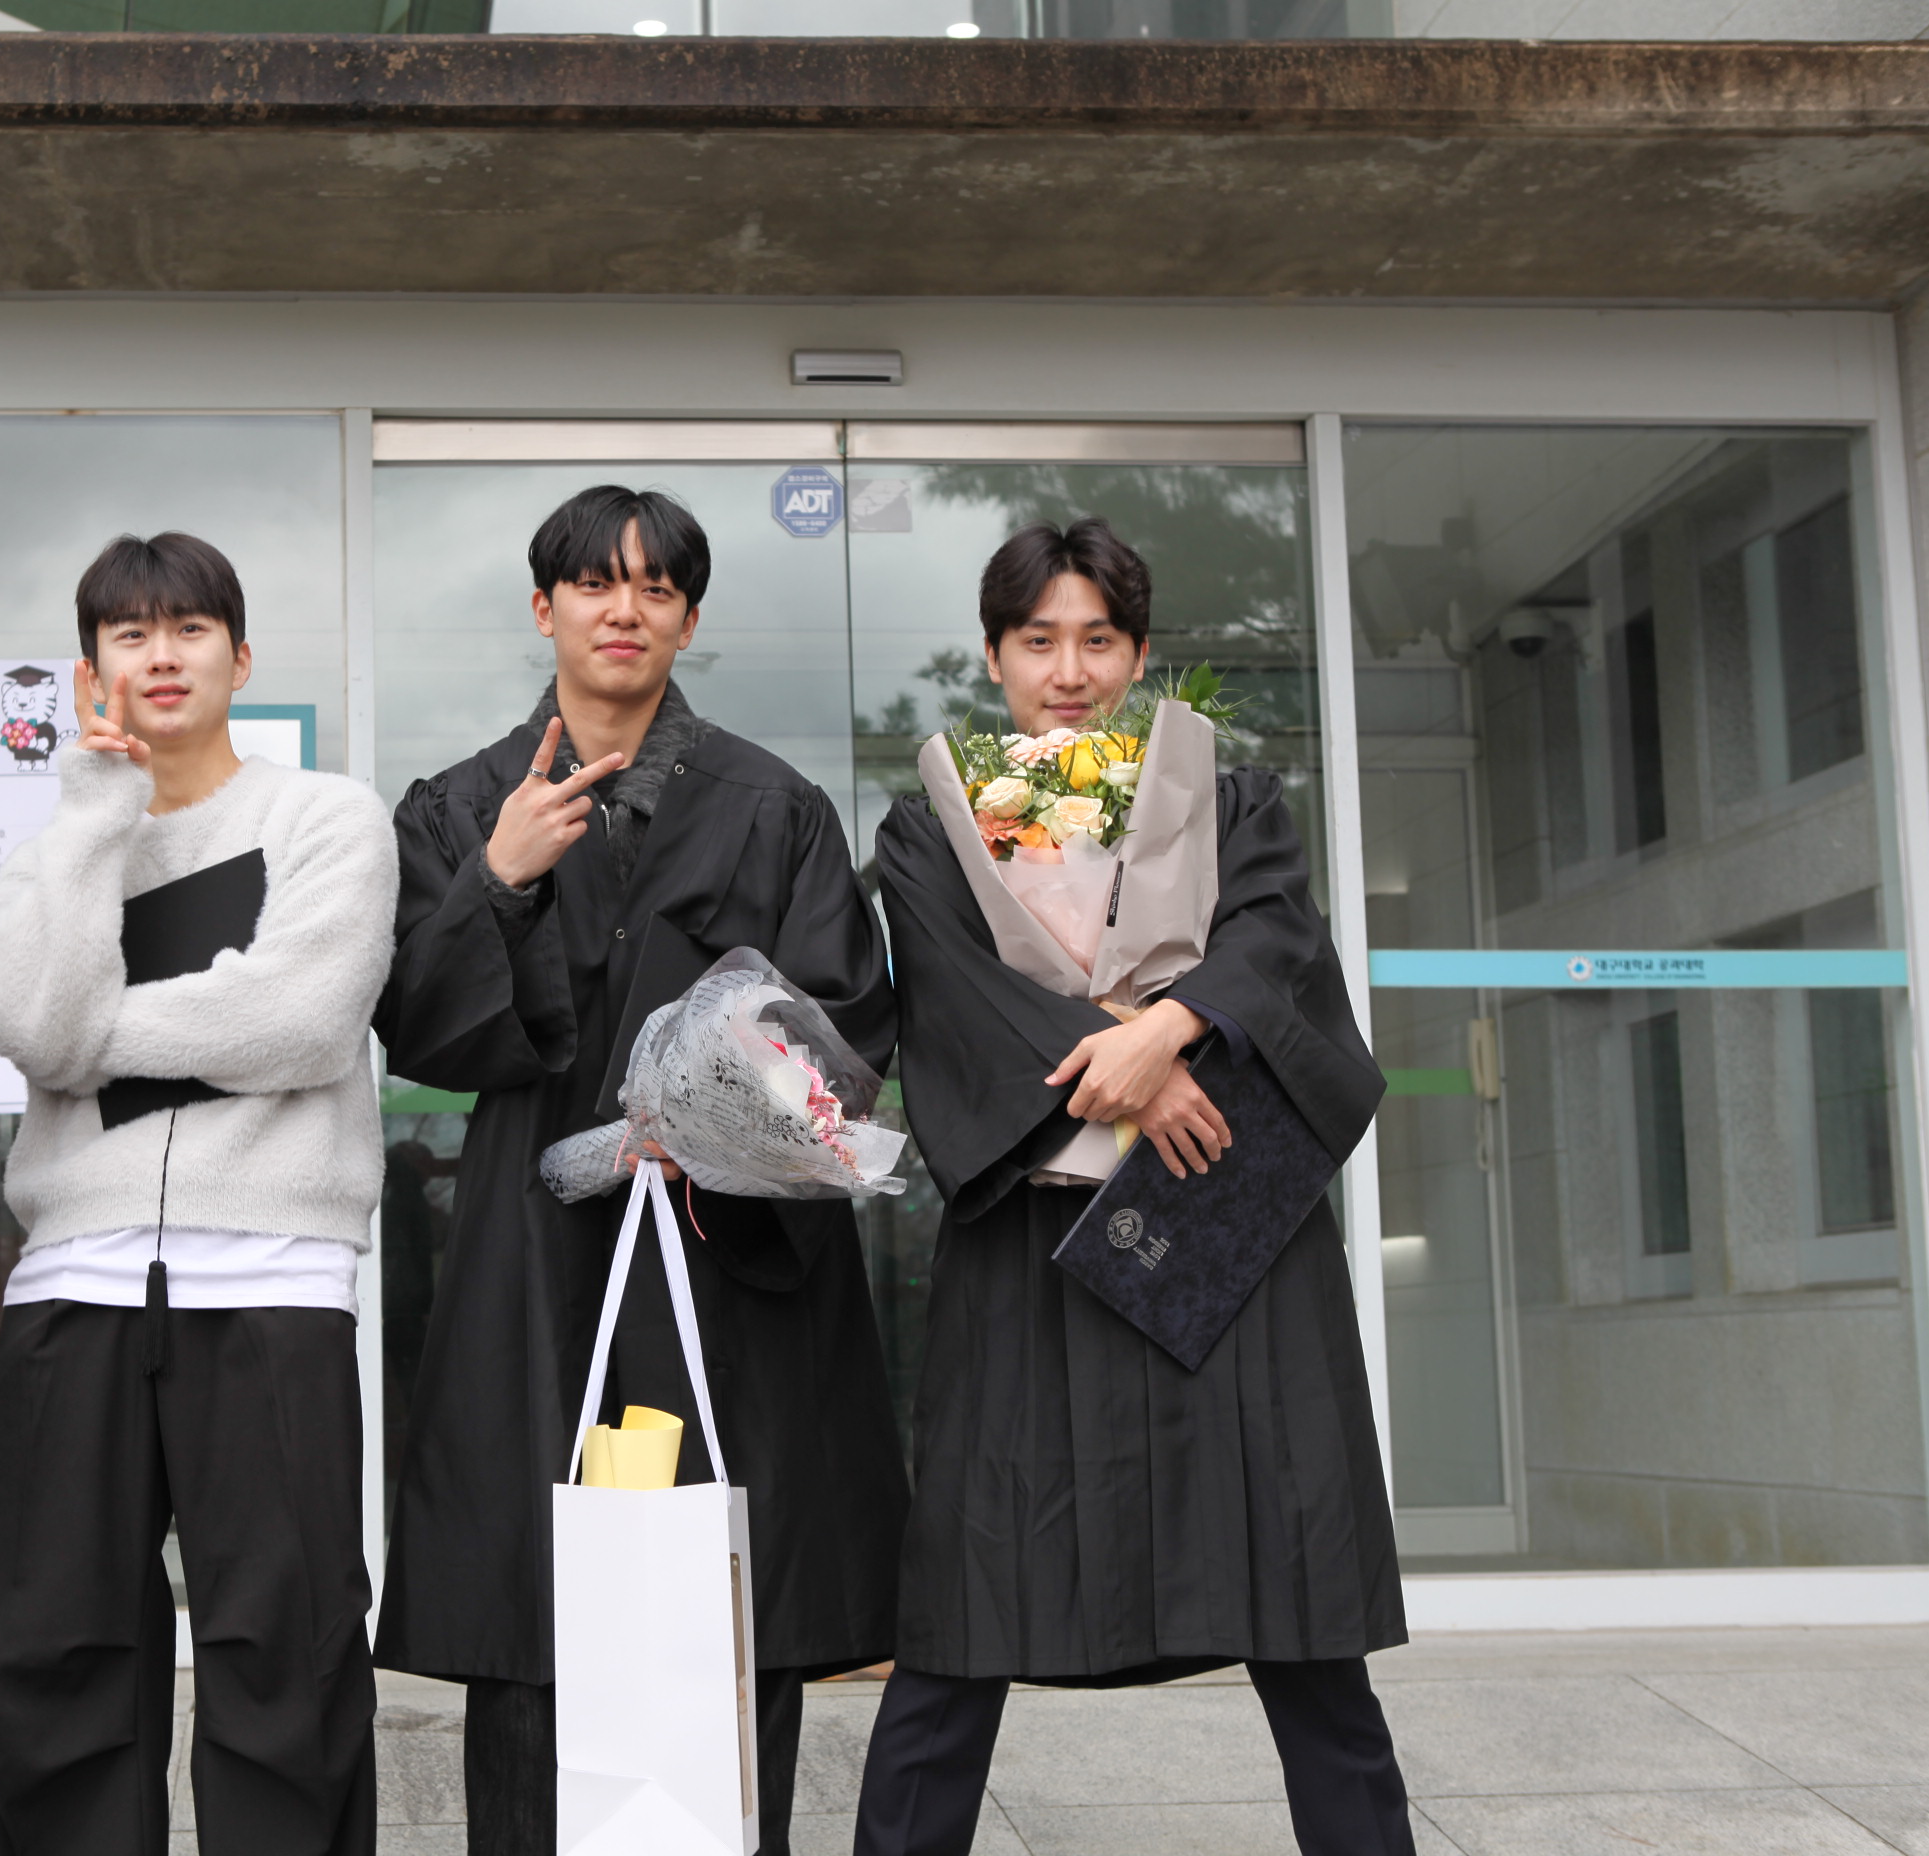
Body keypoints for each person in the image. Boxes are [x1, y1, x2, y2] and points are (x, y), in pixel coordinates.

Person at [854, 518, 1412, 1856]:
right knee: (964, 1606)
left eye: (1097, 639)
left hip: (1226, 1238)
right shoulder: (933, 824)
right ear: (993, 655)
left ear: (1140, 652)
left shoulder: (1229, 797)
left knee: (1302, 1611)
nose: (1070, 670)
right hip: (1031, 1245)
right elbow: (955, 995)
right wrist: (1134, 1075)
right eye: (1038, 639)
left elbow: (1274, 938)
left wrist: (1174, 1025)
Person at [375, 486, 909, 1856]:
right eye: (596, 585)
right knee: (533, 1612)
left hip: (729, 1253)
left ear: (688, 616)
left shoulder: (775, 807)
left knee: (728, 1602)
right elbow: (418, 1029)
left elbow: (847, 1029)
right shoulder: (459, 807)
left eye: (656, 588)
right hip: (532, 1247)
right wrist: (497, 879)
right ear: (543, 606)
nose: (625, 610)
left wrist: (715, 1112)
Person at [0, 533, 397, 1856]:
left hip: (272, 1280)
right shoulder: (59, 850)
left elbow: (304, 1018)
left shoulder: (325, 816)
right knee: (49, 1644)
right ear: (92, 668)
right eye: (130, 633)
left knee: (287, 1649)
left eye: (190, 627)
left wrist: (86, 1038)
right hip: (72, 1283)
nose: (162, 654)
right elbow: (8, 1009)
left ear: (240, 658)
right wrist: (97, 814)